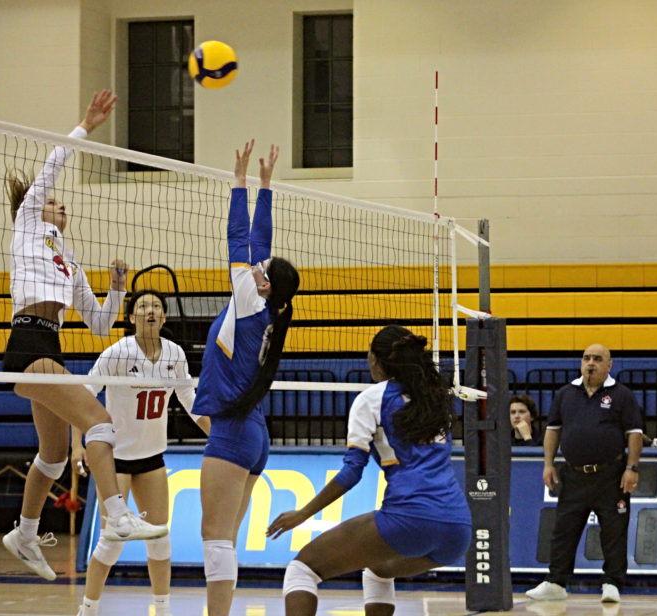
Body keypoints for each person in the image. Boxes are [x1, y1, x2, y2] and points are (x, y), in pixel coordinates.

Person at [0, 90, 167, 582]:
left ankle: (24, 533)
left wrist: (117, 289)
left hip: (50, 344)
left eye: (60, 203)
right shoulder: (27, 225)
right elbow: (53, 166)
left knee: (52, 455)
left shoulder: (69, 263)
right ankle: (116, 516)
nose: (59, 204)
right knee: (99, 422)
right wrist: (86, 126)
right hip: (27, 343)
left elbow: (98, 324)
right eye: (52, 201)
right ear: (34, 209)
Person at [267, 324, 472, 616]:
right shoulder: (437, 398)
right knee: (378, 571)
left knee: (302, 570)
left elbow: (352, 472)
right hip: (457, 527)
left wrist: (302, 514)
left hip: (409, 517)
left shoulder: (372, 399)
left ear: (377, 359)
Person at [194, 140, 300, 616]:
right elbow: (263, 245)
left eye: (258, 270)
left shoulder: (248, 298)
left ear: (262, 283)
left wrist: (237, 183)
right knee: (224, 542)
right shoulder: (268, 310)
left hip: (235, 434)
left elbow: (241, 238)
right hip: (252, 433)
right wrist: (265, 187)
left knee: (215, 541)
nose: (253, 264)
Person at [70, 289, 211, 616]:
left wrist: (217, 437)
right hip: (115, 461)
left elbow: (191, 402)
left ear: (163, 317)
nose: (151, 311)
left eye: (157, 307)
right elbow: (81, 399)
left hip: (151, 460)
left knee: (160, 540)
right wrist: (77, 445)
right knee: (112, 542)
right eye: (143, 306)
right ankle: (87, 610)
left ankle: (162, 610)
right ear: (131, 316)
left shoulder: (175, 354)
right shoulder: (118, 353)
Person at [527, 344, 643, 605]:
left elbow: (634, 434)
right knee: (563, 530)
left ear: (609, 365)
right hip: (574, 474)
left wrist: (631, 468)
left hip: (611, 475)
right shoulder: (566, 393)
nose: (591, 363)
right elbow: (553, 429)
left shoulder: (622, 395)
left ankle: (612, 583)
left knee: (613, 532)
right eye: (587, 358)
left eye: (597, 359)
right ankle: (556, 582)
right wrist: (548, 464)